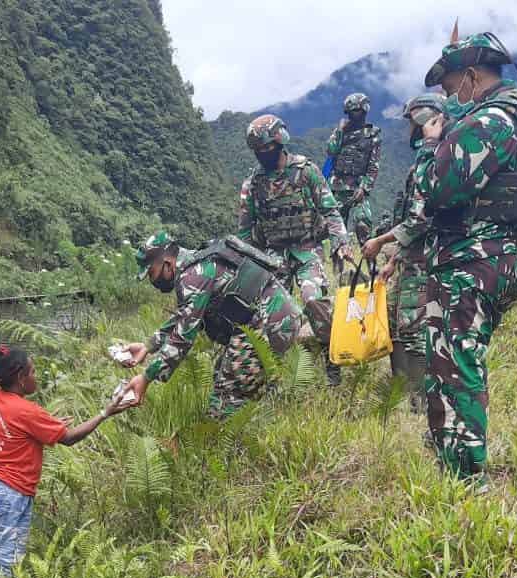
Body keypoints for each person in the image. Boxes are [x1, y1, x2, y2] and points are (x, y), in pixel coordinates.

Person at [412, 30, 517, 484]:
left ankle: (467, 481)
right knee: (452, 361)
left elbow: (434, 190)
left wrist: (430, 145)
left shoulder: (488, 122)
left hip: (471, 263)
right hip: (501, 257)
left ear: (470, 76)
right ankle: (449, 459)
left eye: (450, 87)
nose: (448, 98)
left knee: (458, 368)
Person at [0, 346, 128, 578]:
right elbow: (69, 438)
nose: (36, 375)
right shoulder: (27, 411)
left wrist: (45, 425)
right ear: (21, 378)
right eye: (33, 370)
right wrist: (105, 413)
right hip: (7, 496)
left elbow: (14, 431)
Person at [119, 230, 304, 417]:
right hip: (271, 319)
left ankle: (232, 438)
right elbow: (184, 318)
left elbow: (182, 338)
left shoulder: (192, 276)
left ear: (167, 264)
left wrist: (146, 377)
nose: (152, 280)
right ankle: (262, 406)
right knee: (223, 374)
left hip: (271, 323)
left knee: (227, 397)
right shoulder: (196, 265)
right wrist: (148, 346)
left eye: (151, 273)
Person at [238, 114, 358, 386]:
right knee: (271, 312)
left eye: (267, 148)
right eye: (258, 151)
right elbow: (245, 231)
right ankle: (273, 371)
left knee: (313, 299)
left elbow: (330, 210)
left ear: (280, 143)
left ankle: (332, 361)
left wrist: (341, 242)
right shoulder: (253, 185)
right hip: (273, 255)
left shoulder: (306, 172)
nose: (263, 154)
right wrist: (244, 267)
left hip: (307, 249)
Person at [361, 93, 448, 415]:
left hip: (428, 264)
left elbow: (421, 219)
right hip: (410, 262)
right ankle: (400, 393)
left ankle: (422, 405)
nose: (408, 130)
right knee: (395, 326)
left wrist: (380, 242)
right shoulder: (424, 159)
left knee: (413, 331)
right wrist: (394, 262)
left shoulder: (438, 157)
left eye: (412, 122)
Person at [324, 93, 383, 248]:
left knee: (363, 225)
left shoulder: (372, 134)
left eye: (357, 111)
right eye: (351, 111)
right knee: (336, 231)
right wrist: (339, 131)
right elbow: (330, 150)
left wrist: (364, 188)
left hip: (358, 187)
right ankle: (339, 265)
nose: (354, 114)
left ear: (364, 111)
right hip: (337, 187)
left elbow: (373, 165)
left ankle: (369, 263)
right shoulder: (341, 132)